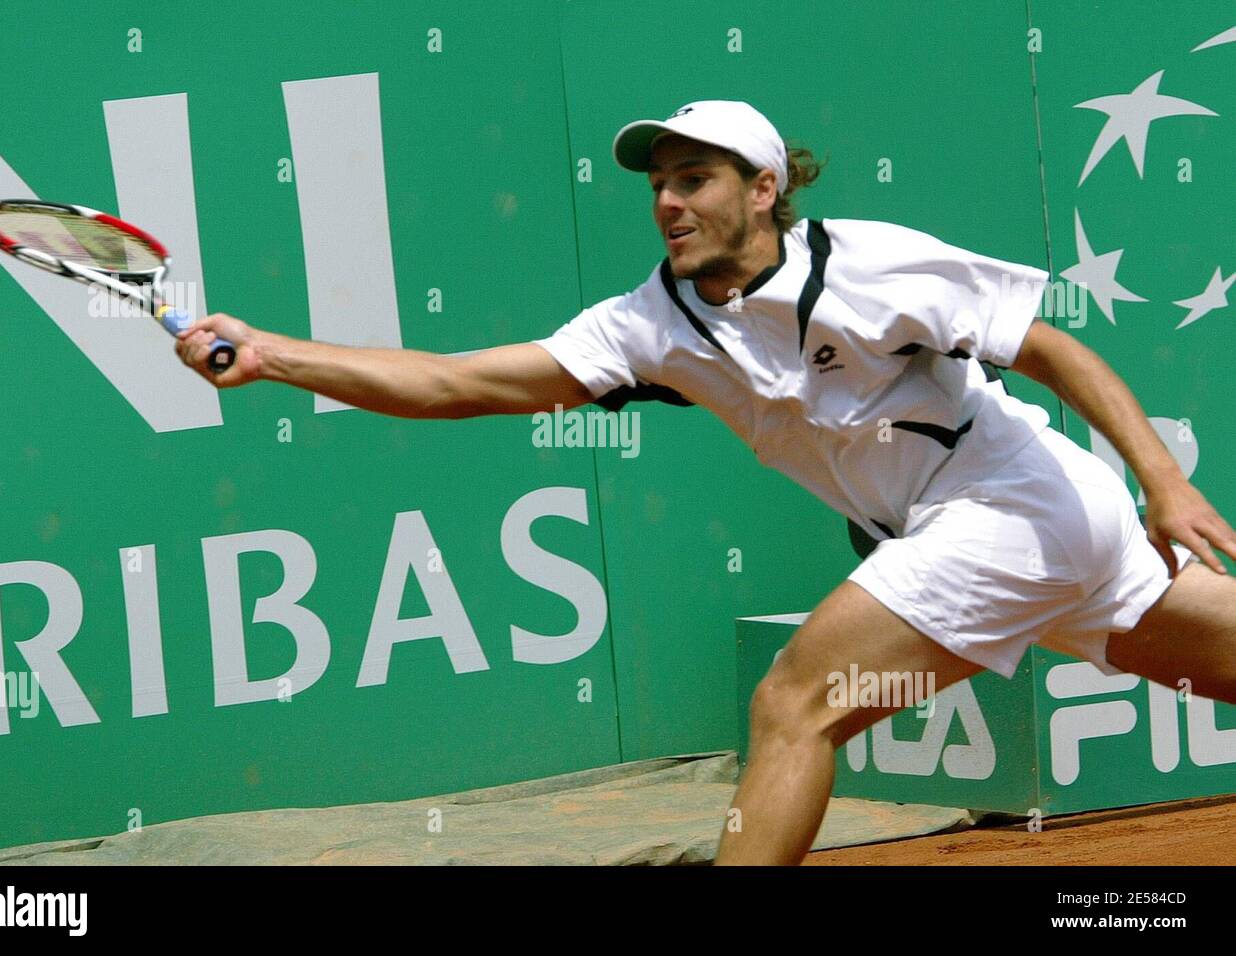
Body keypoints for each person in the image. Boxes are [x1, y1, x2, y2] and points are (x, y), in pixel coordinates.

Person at [175, 100, 1236, 865]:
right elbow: (458, 382)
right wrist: (275, 353)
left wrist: (1164, 485)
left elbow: (1051, 348)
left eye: (695, 180)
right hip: (1022, 534)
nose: (669, 202)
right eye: (658, 185)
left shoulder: (870, 264)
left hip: (1018, 501)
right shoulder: (647, 324)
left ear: (764, 189)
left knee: (791, 705)